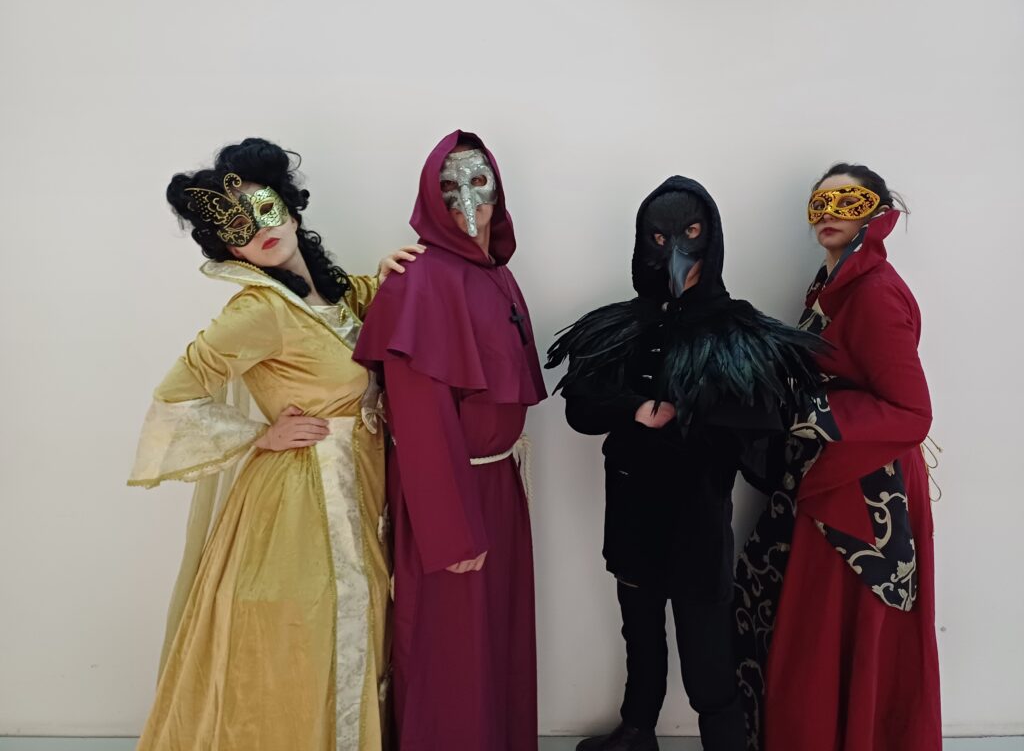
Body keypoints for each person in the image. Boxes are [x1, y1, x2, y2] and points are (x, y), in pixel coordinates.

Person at [128, 137, 420, 751]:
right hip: (300, 499)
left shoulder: (334, 292)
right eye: (236, 228)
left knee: (363, 619)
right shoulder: (257, 311)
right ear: (228, 248)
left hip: (362, 488)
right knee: (301, 631)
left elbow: (362, 316)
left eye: (264, 209)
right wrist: (261, 434)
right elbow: (176, 394)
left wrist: (390, 273)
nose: (259, 229)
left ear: (288, 207)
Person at [546, 177, 821, 751]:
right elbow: (580, 408)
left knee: (707, 648)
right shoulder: (620, 324)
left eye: (690, 233)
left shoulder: (738, 330)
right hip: (631, 511)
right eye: (659, 237)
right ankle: (637, 730)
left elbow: (766, 439)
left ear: (710, 237)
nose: (674, 251)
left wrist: (700, 406)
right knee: (640, 632)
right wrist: (634, 407)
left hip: (697, 519)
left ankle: (725, 743)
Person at [734, 164, 941, 750]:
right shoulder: (834, 283)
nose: (829, 213)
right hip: (837, 475)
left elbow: (912, 412)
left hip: (866, 492)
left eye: (846, 201)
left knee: (832, 629)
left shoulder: (874, 293)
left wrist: (803, 412)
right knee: (814, 628)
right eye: (819, 203)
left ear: (874, 212)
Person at [353, 130, 546, 751]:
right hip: (451, 498)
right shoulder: (419, 281)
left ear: (498, 190)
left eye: (479, 181)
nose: (467, 198)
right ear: (429, 197)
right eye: (449, 185)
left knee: (497, 640)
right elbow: (416, 418)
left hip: (498, 484)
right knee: (451, 653)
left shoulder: (497, 275)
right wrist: (449, 530)